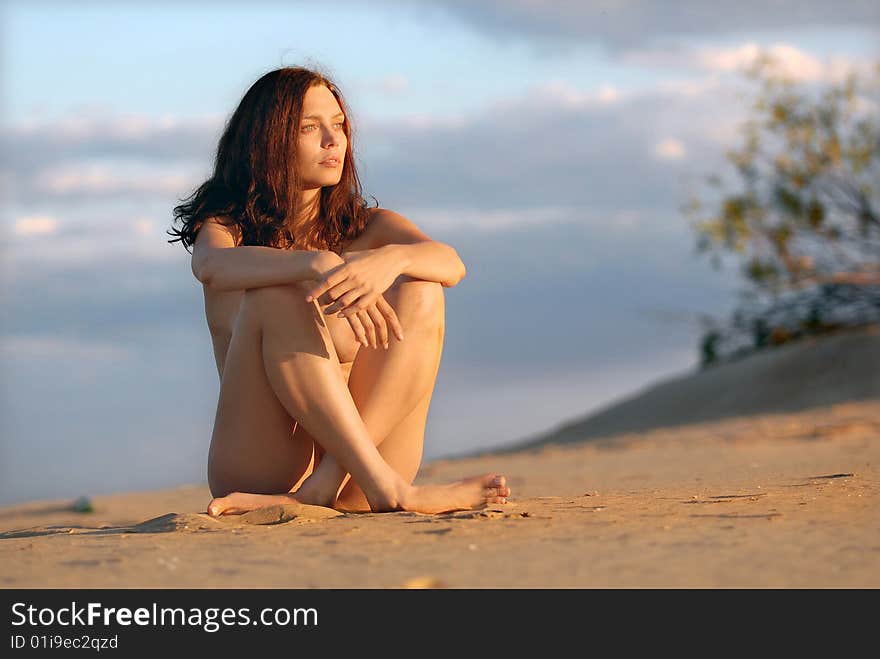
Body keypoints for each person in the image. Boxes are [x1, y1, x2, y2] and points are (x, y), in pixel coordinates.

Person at [168, 66, 510, 515]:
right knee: (279, 293)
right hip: (266, 471)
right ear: (267, 139)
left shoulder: (366, 227)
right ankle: (374, 488)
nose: (334, 141)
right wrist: (312, 262)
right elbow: (210, 266)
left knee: (424, 289)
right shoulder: (227, 228)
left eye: (339, 125)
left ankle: (339, 484)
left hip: (355, 480)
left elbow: (451, 263)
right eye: (311, 128)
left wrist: (396, 259)